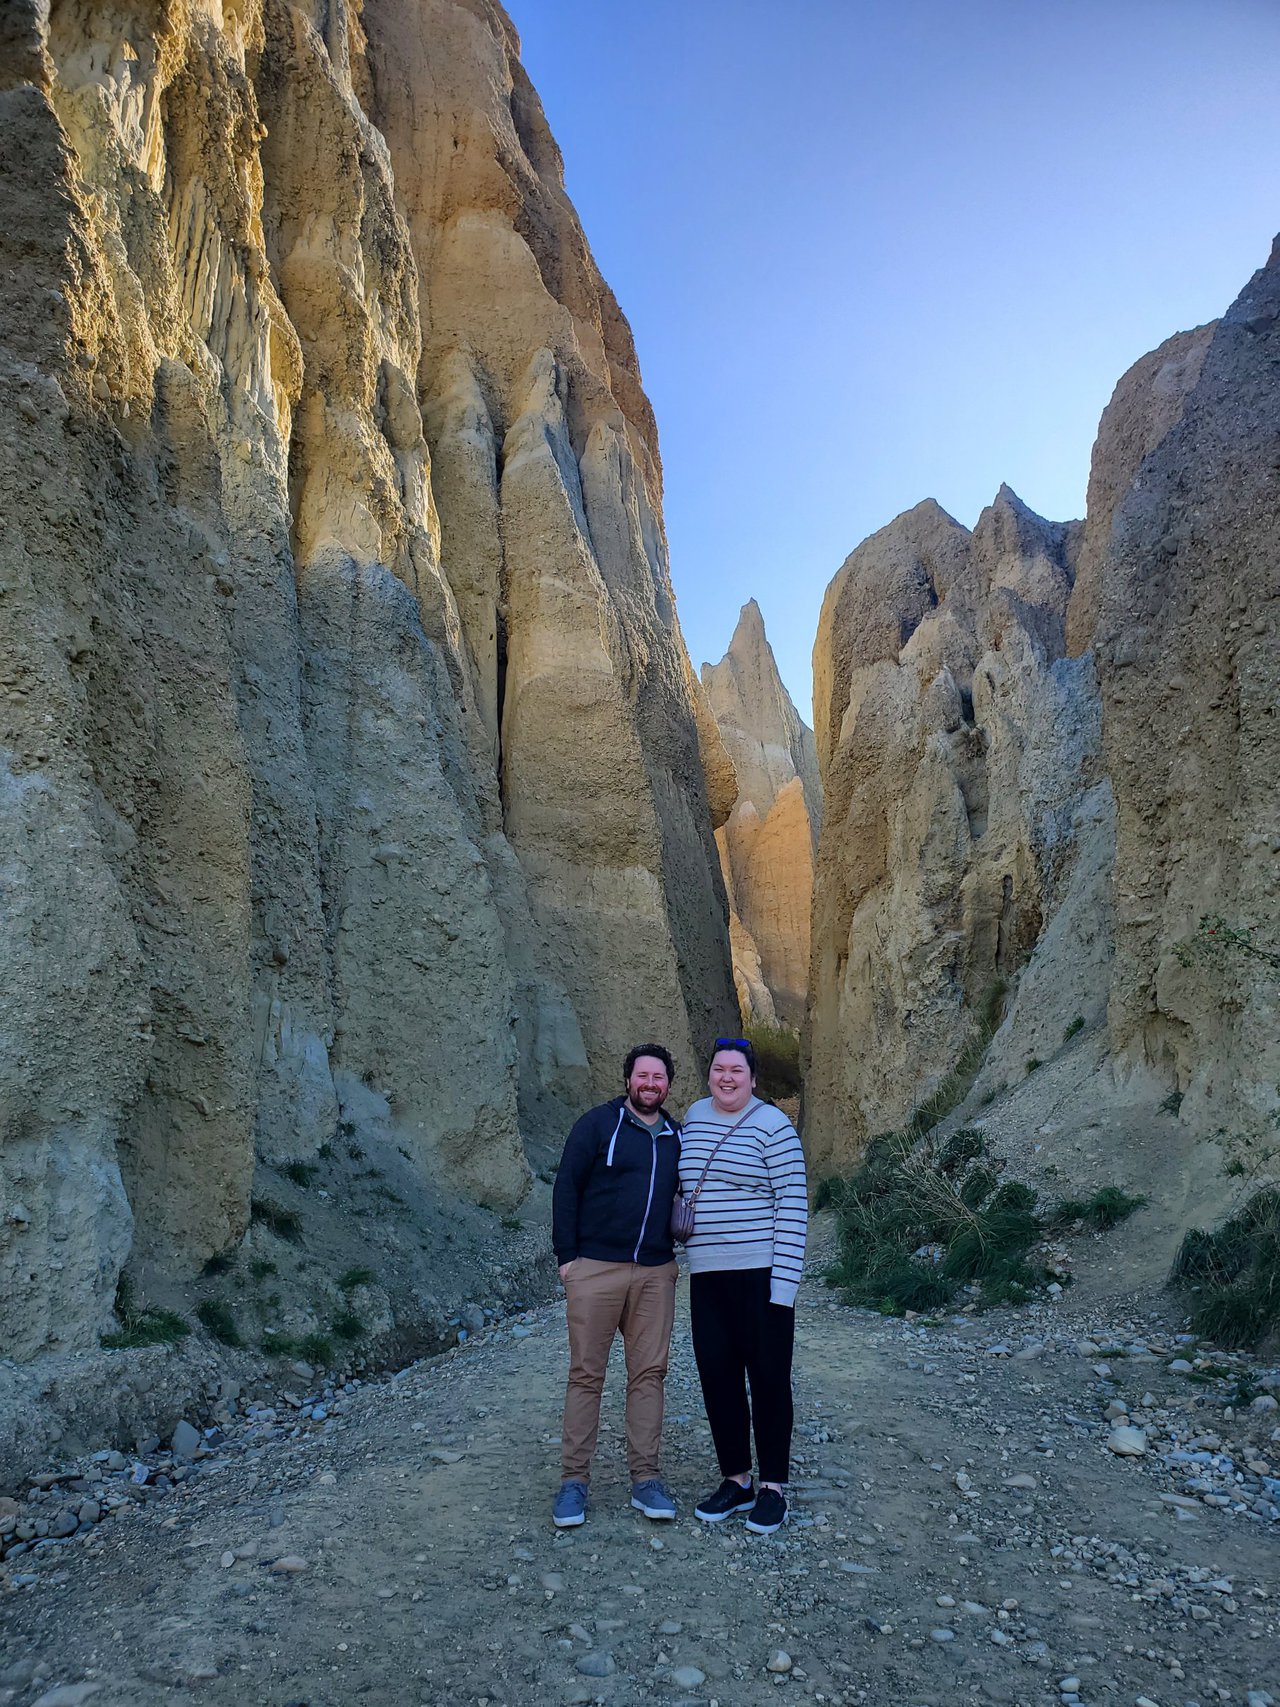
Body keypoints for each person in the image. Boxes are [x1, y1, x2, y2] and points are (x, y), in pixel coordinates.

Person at [550, 1043, 682, 1528]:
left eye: (659, 1078)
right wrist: (568, 1260)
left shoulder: (675, 1135)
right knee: (586, 1375)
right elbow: (566, 1187)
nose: (650, 1084)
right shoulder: (596, 1125)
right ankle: (573, 1483)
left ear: (669, 1084)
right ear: (627, 1079)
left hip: (655, 1273)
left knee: (649, 1376)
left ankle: (646, 1479)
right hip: (595, 1270)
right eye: (642, 1076)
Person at [680, 1036, 807, 1535]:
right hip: (707, 1277)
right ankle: (737, 1479)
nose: (726, 1078)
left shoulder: (773, 1126)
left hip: (760, 1277)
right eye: (718, 1069)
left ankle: (774, 1486)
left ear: (753, 1079)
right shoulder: (693, 1118)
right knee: (718, 1379)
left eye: (737, 1070)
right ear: (708, 1074)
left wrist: (784, 1288)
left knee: (770, 1382)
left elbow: (793, 1208)